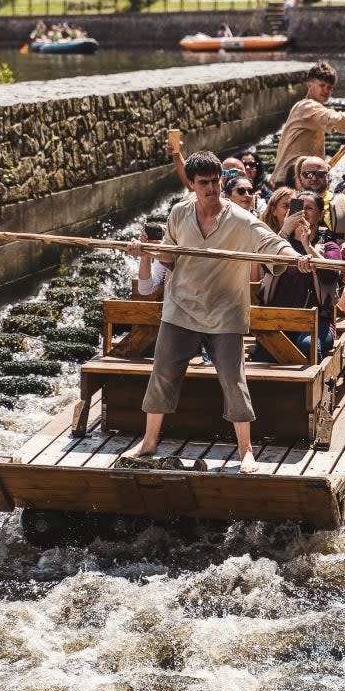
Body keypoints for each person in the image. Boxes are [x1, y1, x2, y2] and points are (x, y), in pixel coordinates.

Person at [124, 150, 312, 473]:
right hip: (181, 308)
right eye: (203, 184)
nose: (211, 189)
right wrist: (145, 251)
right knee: (162, 373)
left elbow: (270, 243)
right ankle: (149, 440)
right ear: (193, 185)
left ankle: (245, 450)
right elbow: (168, 258)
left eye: (215, 182)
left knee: (233, 379)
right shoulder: (179, 215)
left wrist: (294, 255)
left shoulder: (239, 219)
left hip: (225, 311)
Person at [254, 190, 342, 362]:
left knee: (307, 346)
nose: (304, 212)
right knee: (266, 351)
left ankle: (312, 387)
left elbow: (330, 277)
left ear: (320, 214)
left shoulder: (330, 246)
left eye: (309, 208)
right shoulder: (278, 242)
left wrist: (308, 246)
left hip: (317, 321)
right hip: (279, 317)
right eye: (299, 207)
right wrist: (285, 230)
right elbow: (266, 265)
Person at [271, 60, 345, 187]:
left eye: (329, 87)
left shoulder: (306, 107)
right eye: (322, 85)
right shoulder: (307, 106)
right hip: (292, 179)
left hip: (301, 177)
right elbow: (334, 119)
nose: (326, 90)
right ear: (310, 85)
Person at [296, 155, 345, 260]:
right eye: (308, 174)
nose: (314, 178)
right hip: (299, 262)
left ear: (328, 176)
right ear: (301, 177)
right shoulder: (291, 203)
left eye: (320, 174)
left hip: (338, 265)